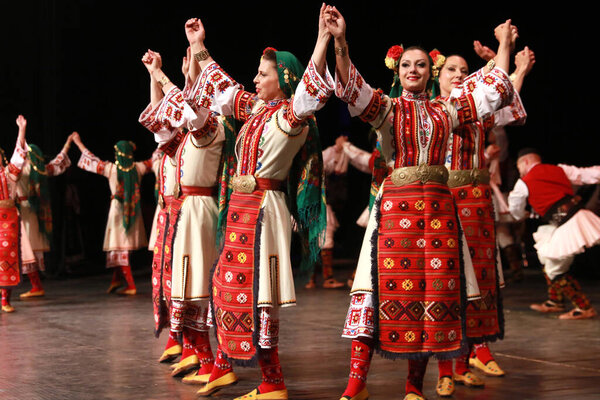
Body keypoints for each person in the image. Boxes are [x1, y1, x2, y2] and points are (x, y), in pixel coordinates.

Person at [326, 6, 516, 400]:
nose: (414, 71)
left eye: (421, 66)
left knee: (434, 296)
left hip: (440, 213)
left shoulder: (448, 109)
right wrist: (340, 41)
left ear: (431, 72)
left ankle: (415, 386)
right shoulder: (387, 109)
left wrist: (503, 46)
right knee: (372, 290)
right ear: (398, 71)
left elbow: (495, 88)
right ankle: (356, 384)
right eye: (407, 65)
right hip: (396, 210)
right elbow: (349, 86)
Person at [180, 6, 333, 399]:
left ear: (283, 77)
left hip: (265, 210)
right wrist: (198, 45)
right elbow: (221, 85)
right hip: (241, 209)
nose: (255, 78)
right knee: (225, 286)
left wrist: (322, 38)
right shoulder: (255, 110)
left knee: (261, 296)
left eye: (263, 73)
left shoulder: (292, 115)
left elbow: (311, 88)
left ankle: (273, 382)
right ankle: (223, 366)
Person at [431, 45, 534, 394]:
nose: (459, 75)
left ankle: (465, 361)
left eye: (463, 70)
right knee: (450, 283)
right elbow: (490, 92)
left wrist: (518, 72)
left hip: (476, 201)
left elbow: (504, 102)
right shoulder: (434, 110)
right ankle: (446, 367)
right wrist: (502, 52)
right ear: (437, 76)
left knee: (479, 283)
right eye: (451, 71)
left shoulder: (480, 111)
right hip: (445, 199)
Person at [139, 44, 237, 382]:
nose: (189, 98)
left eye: (197, 89)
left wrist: (169, 75)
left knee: (200, 288)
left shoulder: (213, 127)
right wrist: (155, 77)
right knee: (184, 288)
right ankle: (201, 355)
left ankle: (212, 359)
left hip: (199, 211)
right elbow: (157, 121)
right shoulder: (185, 138)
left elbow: (190, 109)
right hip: (182, 215)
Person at [503, 149, 600, 320]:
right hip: (573, 220)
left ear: (525, 162)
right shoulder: (560, 169)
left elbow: (515, 210)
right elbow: (589, 174)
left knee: (555, 267)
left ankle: (583, 307)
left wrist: (520, 215)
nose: (519, 171)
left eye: (519, 167)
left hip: (570, 224)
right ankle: (555, 301)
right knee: (545, 256)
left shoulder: (523, 182)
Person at [72, 132, 151, 295]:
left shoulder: (112, 169)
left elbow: (92, 161)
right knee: (119, 246)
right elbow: (154, 160)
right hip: (133, 211)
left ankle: (131, 285)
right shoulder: (138, 168)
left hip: (118, 211)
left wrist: (78, 143)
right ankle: (116, 279)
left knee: (119, 246)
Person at [11, 116, 72, 299]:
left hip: (23, 211)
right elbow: (59, 162)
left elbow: (18, 151)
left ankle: (32, 286)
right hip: (35, 214)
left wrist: (22, 130)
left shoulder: (23, 168)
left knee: (25, 248)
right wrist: (68, 142)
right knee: (30, 249)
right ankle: (34, 285)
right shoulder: (42, 170)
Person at [0, 116, 36, 312]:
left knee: (7, 257)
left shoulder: (8, 174)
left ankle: (5, 300)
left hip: (8, 221)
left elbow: (19, 154)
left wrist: (21, 129)